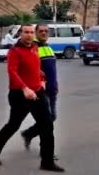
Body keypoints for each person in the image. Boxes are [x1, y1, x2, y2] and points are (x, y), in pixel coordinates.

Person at [0, 24, 64, 172]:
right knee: (13, 125)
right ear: (20, 34)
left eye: (30, 32)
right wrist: (24, 88)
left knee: (47, 125)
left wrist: (42, 79)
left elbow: (37, 67)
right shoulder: (15, 51)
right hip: (19, 94)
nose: (29, 35)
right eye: (26, 32)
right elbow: (12, 72)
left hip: (37, 92)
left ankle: (47, 162)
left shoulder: (35, 47)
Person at [21, 24, 59, 160]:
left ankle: (29, 134)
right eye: (41, 31)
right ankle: (46, 152)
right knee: (47, 121)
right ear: (35, 33)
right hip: (40, 90)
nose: (44, 33)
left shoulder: (48, 47)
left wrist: (55, 84)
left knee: (52, 118)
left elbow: (51, 70)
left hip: (52, 89)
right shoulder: (33, 48)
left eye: (46, 31)